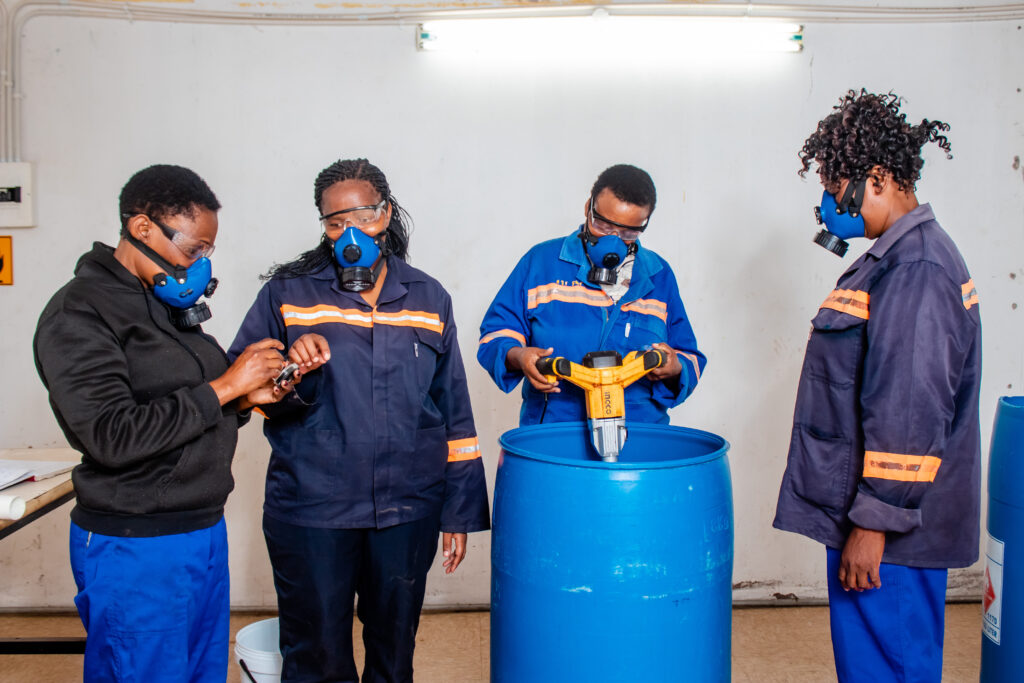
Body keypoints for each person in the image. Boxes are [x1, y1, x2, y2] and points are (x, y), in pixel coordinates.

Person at [229, 158, 489, 682]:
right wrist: (291, 373)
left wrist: (458, 511)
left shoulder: (428, 297)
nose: (350, 233)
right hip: (313, 506)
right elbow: (244, 395)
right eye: (334, 222)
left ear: (387, 214)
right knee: (316, 653)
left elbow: (453, 409)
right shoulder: (289, 293)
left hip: (406, 507)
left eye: (363, 216)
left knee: (394, 653)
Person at [33, 164, 289, 682]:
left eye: (206, 254)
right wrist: (227, 386)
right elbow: (112, 435)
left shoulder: (163, 305)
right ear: (142, 227)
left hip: (199, 529)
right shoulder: (79, 312)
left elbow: (188, 413)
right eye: (192, 250)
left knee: (199, 673)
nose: (197, 266)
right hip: (137, 542)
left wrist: (245, 400)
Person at [773, 90, 980, 682]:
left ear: (880, 177)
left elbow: (910, 411)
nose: (830, 207)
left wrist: (874, 524)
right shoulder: (894, 258)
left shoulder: (916, 269)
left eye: (838, 189)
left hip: (893, 537)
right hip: (880, 523)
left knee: (888, 669)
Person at [477, 163, 706, 427]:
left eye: (628, 233)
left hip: (640, 437)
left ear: (644, 224)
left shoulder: (658, 274)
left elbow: (689, 356)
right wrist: (519, 356)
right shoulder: (541, 263)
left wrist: (676, 367)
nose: (613, 242)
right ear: (589, 208)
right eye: (604, 226)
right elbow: (497, 332)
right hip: (555, 432)